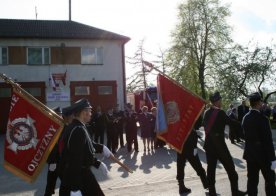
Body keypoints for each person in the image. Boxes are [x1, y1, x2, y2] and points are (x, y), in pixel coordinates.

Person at [59, 99, 113, 196]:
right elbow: (75, 159)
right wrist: (75, 188)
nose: (91, 113)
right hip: (79, 177)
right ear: (84, 112)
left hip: (81, 174)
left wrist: (98, 160)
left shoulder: (79, 127)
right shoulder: (77, 130)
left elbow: (87, 148)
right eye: (90, 111)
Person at [203, 92, 247, 196]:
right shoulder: (220, 113)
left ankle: (212, 192)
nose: (221, 102)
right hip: (219, 146)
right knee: (231, 169)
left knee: (211, 169)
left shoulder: (206, 113)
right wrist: (243, 124)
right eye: (220, 100)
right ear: (217, 101)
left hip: (209, 145)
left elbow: (204, 125)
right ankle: (235, 192)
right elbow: (231, 123)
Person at [241, 92, 276, 196]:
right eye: (260, 102)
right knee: (270, 180)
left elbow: (244, 136)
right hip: (263, 155)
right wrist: (273, 159)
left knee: (252, 182)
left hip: (250, 154)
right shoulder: (263, 119)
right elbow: (268, 141)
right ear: (258, 103)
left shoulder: (245, 118)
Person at [176, 116, 208, 194]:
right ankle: (207, 184)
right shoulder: (187, 124)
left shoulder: (179, 123)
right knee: (198, 166)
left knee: (180, 167)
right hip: (189, 149)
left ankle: (181, 187)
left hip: (181, 148)